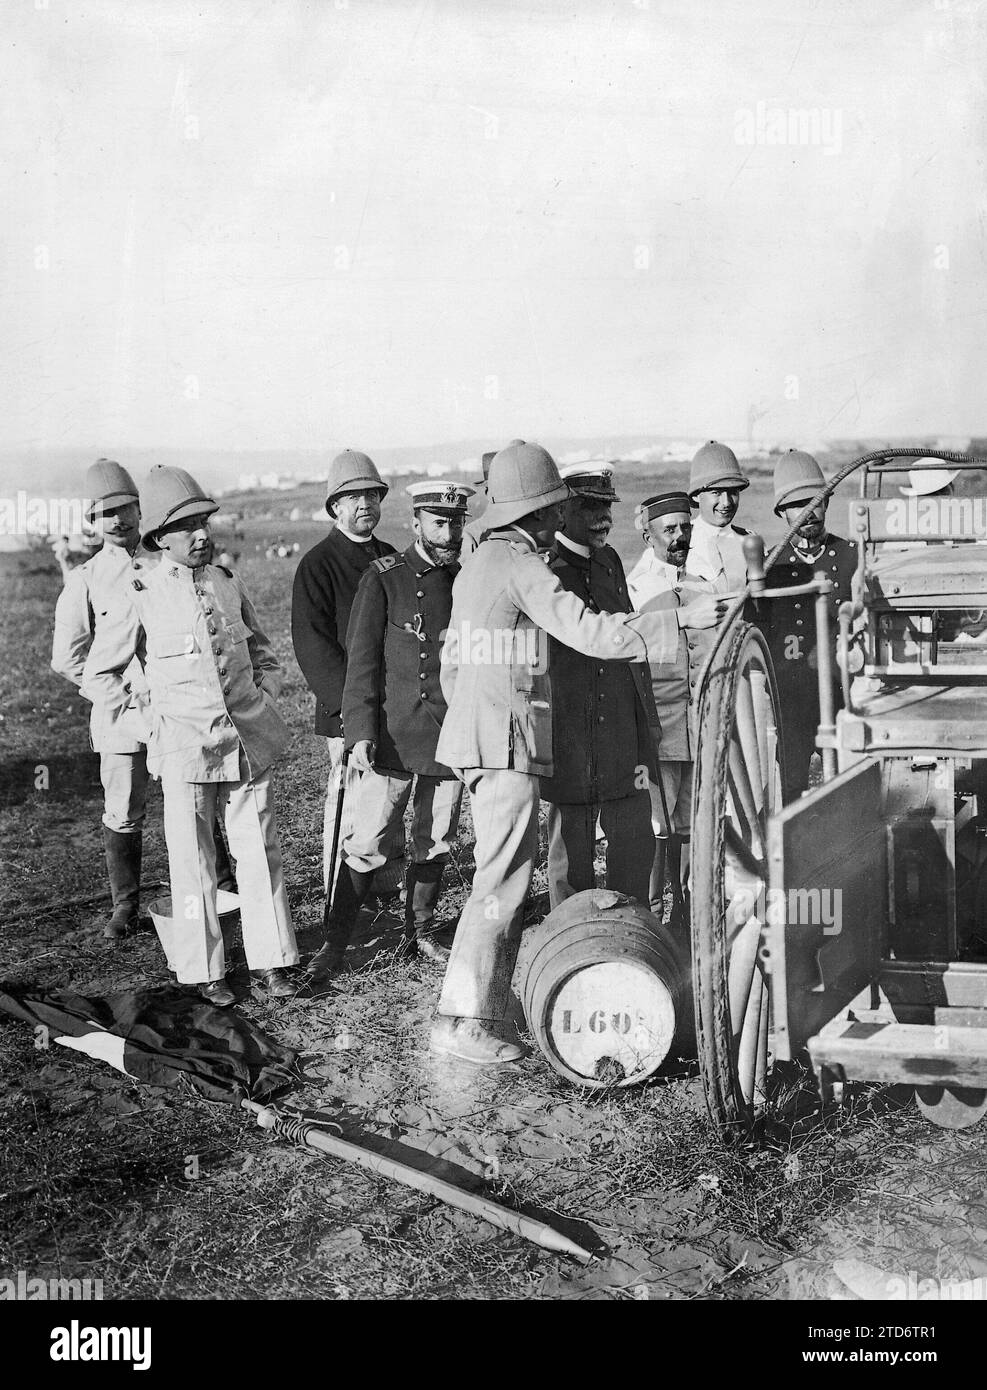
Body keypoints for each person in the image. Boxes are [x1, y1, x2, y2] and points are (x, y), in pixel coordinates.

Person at [430, 441, 726, 1064]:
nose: (554, 521)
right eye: (551, 510)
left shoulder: (477, 564)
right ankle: (463, 1021)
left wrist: (472, 733)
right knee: (501, 883)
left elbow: (453, 665)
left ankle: (478, 1007)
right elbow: (588, 630)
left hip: (481, 739)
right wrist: (675, 622)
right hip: (507, 742)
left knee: (498, 877)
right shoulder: (520, 563)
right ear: (537, 513)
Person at [82, 465, 298, 1005]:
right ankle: (208, 971)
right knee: (193, 859)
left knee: (259, 851)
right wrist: (149, 725)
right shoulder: (141, 590)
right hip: (183, 749)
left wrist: (264, 698)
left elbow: (265, 652)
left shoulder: (227, 582)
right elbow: (101, 674)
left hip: (247, 740)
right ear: (160, 537)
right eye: (187, 527)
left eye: (205, 522)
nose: (202, 535)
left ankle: (274, 962)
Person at [52, 460, 237, 942]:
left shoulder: (166, 561)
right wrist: (120, 701)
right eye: (106, 513)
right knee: (125, 807)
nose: (119, 521)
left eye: (127, 508)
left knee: (200, 789)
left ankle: (221, 885)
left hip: (181, 709)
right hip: (122, 717)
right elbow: (68, 659)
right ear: (93, 520)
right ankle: (125, 905)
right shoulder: (86, 579)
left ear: (142, 509)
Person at [308, 481, 474, 978]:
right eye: (438, 522)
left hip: (447, 735)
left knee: (436, 837)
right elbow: (360, 663)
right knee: (369, 838)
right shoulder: (384, 579)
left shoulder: (466, 581)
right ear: (416, 522)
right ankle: (336, 943)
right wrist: (359, 729)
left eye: (456, 522)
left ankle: (420, 931)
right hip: (392, 735)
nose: (449, 532)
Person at [538, 462, 658, 908]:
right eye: (589, 507)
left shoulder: (609, 560)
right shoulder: (545, 570)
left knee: (632, 833)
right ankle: (570, 932)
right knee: (572, 848)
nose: (602, 517)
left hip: (620, 728)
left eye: (606, 506)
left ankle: (633, 924)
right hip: (569, 730)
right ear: (563, 511)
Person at [290, 450, 403, 900]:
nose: (365, 505)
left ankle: (383, 896)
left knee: (389, 803)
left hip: (393, 706)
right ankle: (341, 904)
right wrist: (350, 713)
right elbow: (313, 645)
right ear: (334, 506)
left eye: (372, 495)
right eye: (353, 497)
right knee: (351, 806)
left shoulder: (392, 557)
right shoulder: (318, 564)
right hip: (346, 710)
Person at [627, 491, 716, 916]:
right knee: (656, 823)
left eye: (685, 528)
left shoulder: (700, 585)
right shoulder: (637, 589)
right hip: (658, 726)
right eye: (670, 530)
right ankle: (652, 910)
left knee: (687, 819)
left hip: (696, 723)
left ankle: (682, 909)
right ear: (648, 535)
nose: (680, 537)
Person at [755, 450, 857, 802]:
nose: (809, 512)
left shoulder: (853, 556)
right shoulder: (767, 568)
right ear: (782, 512)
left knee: (850, 788)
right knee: (791, 789)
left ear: (828, 501)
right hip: (790, 701)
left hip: (845, 696)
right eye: (797, 504)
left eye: (815, 501)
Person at [686, 440, 751, 592]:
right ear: (696, 495)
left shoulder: (749, 541)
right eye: (716, 492)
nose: (726, 502)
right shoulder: (680, 541)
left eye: (733, 492)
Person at [461, 439, 526, 556]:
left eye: (514, 487)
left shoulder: (534, 527)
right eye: (502, 489)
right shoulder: (472, 536)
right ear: (488, 492)